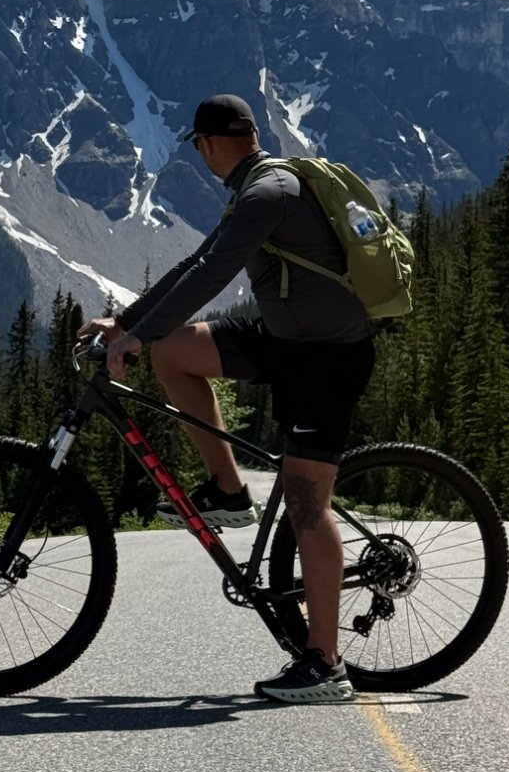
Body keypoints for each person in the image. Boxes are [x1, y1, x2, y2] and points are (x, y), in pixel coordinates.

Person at [86, 93, 376, 705]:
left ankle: (325, 665)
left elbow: (212, 272)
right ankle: (228, 491)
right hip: (284, 340)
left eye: (196, 146)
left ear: (209, 144)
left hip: (326, 358)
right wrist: (132, 326)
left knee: (304, 500)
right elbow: (195, 262)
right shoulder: (256, 189)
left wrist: (135, 332)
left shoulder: (268, 193)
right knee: (173, 351)